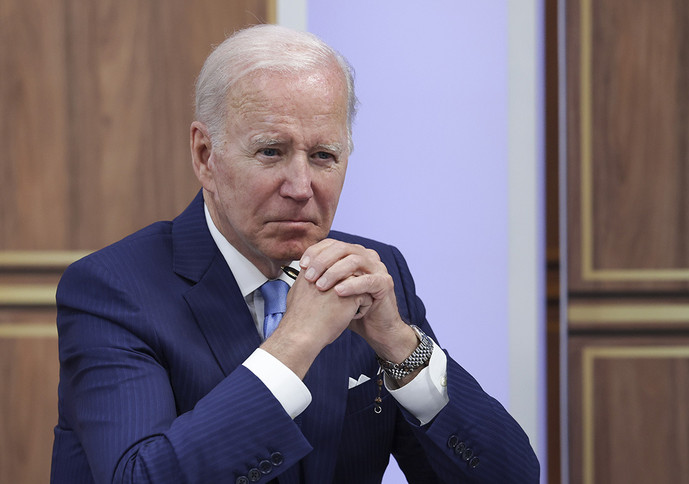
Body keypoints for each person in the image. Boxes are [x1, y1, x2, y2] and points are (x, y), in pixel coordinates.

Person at [50, 24, 539, 484]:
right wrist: (296, 342)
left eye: (323, 156)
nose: (302, 188)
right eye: (271, 152)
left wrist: (400, 348)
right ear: (205, 155)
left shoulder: (374, 276)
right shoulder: (112, 290)